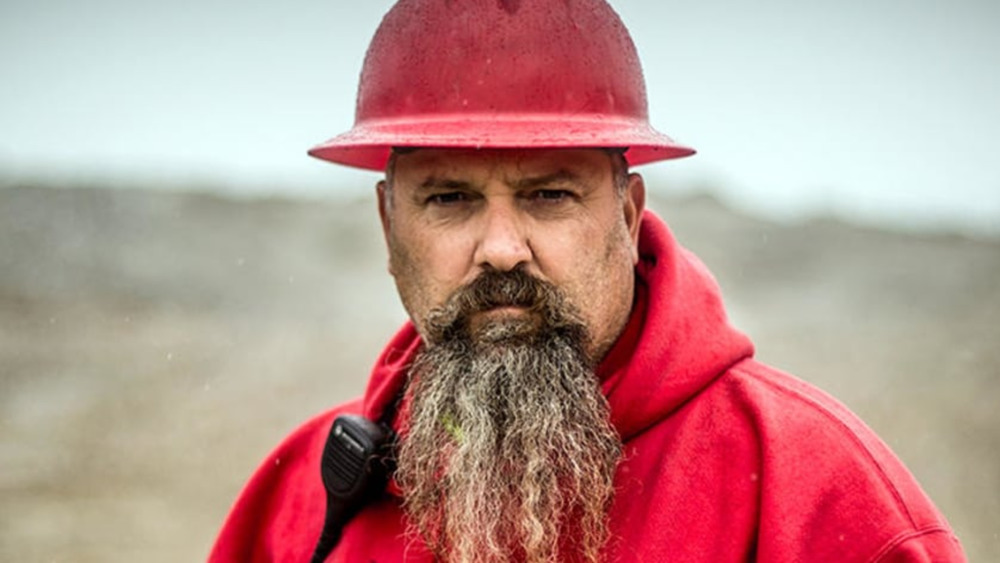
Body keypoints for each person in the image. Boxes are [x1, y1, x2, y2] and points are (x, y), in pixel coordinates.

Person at [209, 1, 966, 561]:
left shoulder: (817, 496)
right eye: (449, 198)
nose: (501, 249)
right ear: (388, 226)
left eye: (549, 194)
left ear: (629, 214)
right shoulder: (301, 502)